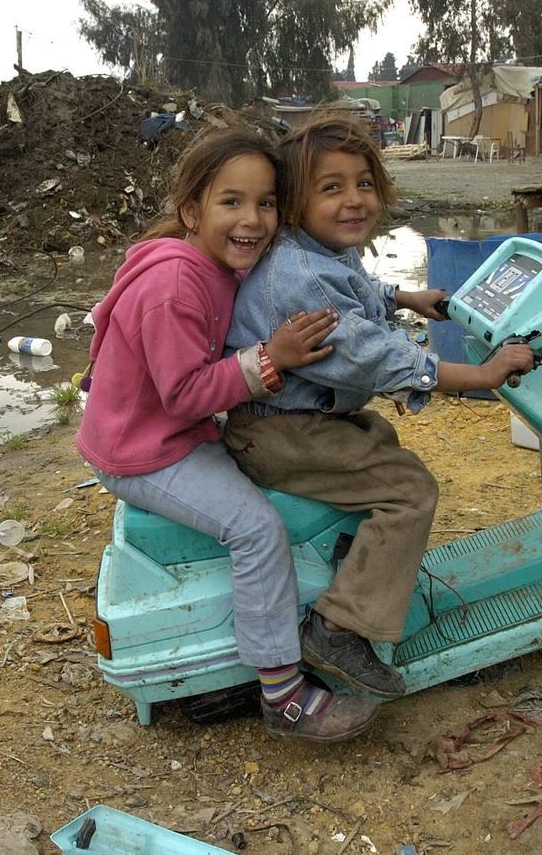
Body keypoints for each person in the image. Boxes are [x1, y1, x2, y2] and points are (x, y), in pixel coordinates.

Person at [76, 127, 381, 742]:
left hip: (160, 430)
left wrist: (390, 297)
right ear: (192, 210)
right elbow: (185, 392)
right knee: (255, 528)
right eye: (232, 202)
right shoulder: (175, 284)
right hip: (144, 451)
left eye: (266, 203)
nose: (253, 220)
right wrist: (275, 358)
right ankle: (283, 692)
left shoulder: (208, 262)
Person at [224, 114, 536, 702]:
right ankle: (339, 626)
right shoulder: (298, 277)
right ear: (294, 201)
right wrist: (484, 374)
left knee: (378, 444)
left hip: (294, 417)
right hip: (280, 430)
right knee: (409, 489)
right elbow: (375, 358)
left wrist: (407, 297)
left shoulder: (312, 253)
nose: (354, 200)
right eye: (332, 187)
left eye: (363, 183)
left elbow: (356, 292)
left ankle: (358, 564)